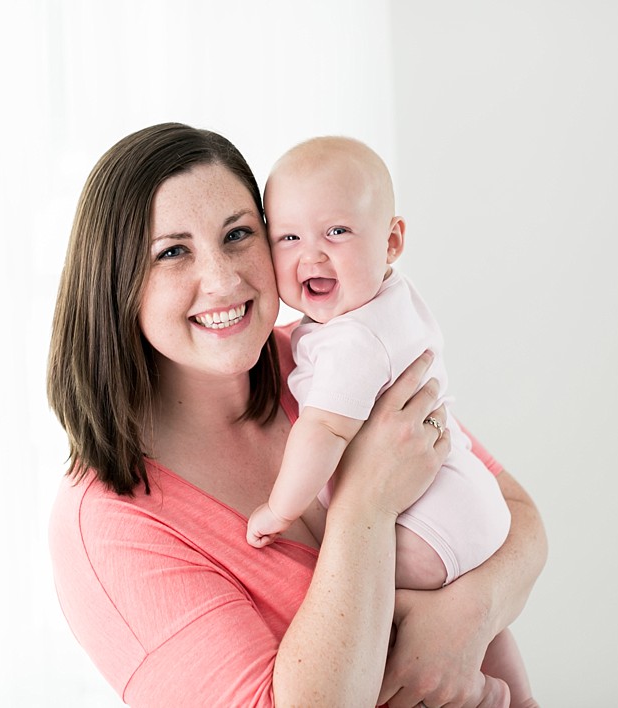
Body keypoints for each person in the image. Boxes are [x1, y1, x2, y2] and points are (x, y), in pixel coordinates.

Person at [47, 123, 545, 707]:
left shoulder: (328, 356)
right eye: (173, 251)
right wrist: (365, 502)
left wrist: (460, 621)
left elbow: (519, 516)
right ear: (114, 284)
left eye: (237, 234)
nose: (224, 278)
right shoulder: (109, 526)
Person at [245, 135, 531, 703]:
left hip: (429, 527)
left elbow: (323, 430)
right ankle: (518, 696)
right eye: (289, 237)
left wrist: (281, 508)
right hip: (466, 498)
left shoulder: (351, 342)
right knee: (481, 623)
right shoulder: (390, 300)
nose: (312, 255)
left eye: (338, 232)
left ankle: (480, 695)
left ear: (393, 239)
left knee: (355, 594)